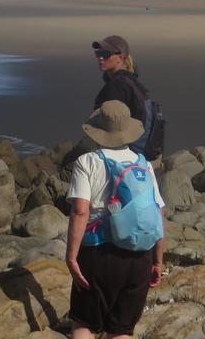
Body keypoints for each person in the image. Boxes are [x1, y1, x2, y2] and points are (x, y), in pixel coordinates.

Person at [66, 100, 165, 339]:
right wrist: (157, 261)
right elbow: (158, 212)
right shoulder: (144, 165)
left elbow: (80, 211)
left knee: (84, 323)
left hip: (99, 254)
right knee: (122, 329)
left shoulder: (87, 162)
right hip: (139, 255)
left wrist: (71, 256)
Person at [92, 35, 156, 157]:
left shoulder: (116, 85)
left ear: (120, 57)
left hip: (124, 149)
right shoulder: (131, 80)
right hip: (141, 149)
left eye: (105, 54)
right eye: (98, 53)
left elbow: (110, 124)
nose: (100, 58)